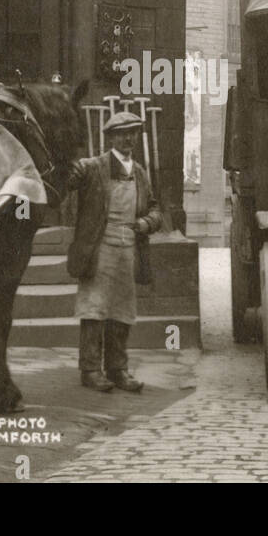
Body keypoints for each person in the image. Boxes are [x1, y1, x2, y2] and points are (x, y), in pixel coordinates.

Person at [66, 111, 163, 393]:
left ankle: (118, 369)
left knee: (122, 310)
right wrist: (68, 164)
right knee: (94, 308)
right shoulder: (92, 167)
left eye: (133, 132)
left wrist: (146, 222)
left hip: (128, 248)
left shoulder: (141, 173)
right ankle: (91, 370)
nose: (128, 138)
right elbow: (69, 177)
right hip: (99, 247)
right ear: (110, 137)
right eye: (122, 133)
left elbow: (156, 209)